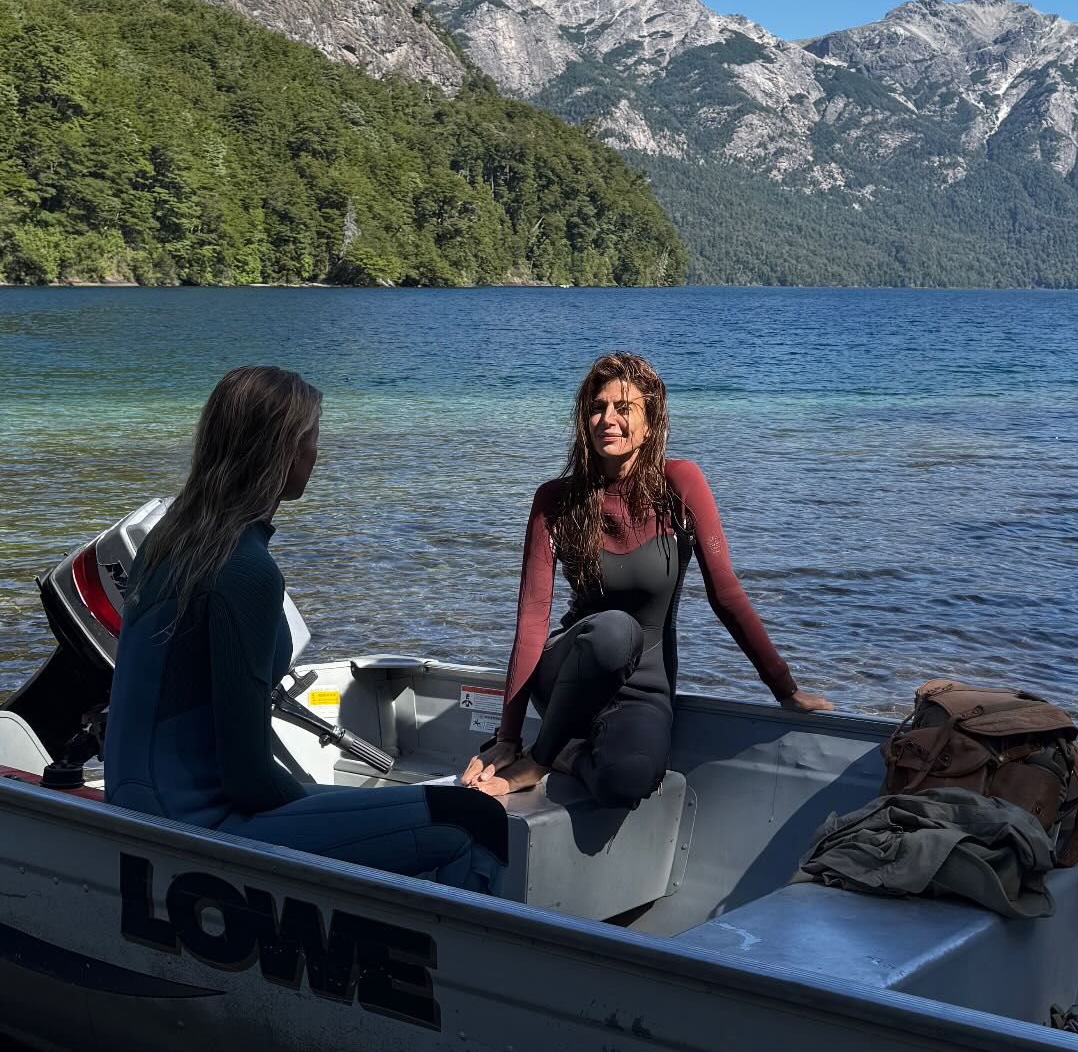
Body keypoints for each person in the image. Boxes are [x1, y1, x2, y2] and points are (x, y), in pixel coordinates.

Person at [105, 366, 506, 889]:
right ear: (283, 451)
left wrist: (350, 808)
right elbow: (248, 779)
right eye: (313, 438)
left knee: (401, 803)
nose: (317, 454)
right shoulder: (244, 569)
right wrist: (342, 811)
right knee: (469, 819)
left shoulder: (173, 541)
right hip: (196, 823)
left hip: (136, 802)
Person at [462, 350, 831, 808]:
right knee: (615, 628)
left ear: (650, 422)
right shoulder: (555, 500)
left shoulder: (680, 484)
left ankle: (569, 755)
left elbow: (726, 593)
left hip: (642, 686)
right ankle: (541, 758)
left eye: (623, 408)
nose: (607, 419)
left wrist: (785, 690)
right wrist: (509, 737)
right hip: (571, 671)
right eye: (596, 407)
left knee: (628, 780)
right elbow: (533, 619)